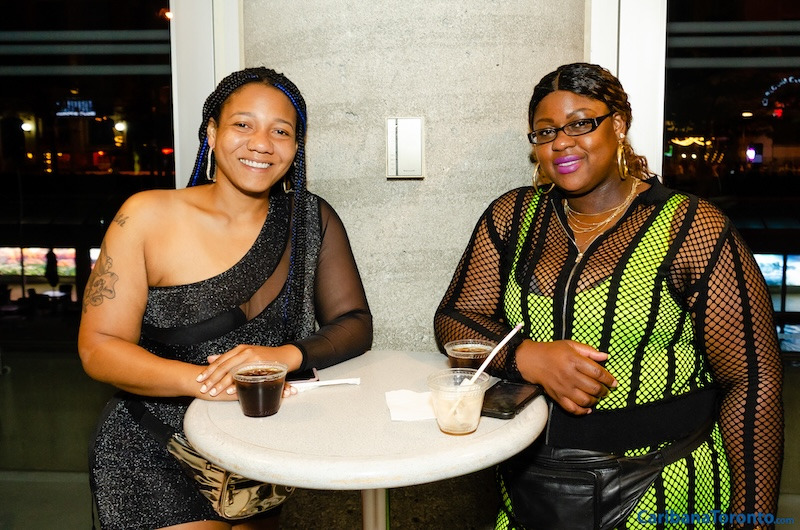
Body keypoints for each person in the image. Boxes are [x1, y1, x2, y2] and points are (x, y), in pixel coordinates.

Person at [434, 63, 783, 529]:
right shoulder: (513, 216)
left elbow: (753, 382)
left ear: (617, 125)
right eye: (545, 131)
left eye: (580, 123)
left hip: (664, 480)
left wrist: (753, 520)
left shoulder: (692, 228)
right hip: (530, 479)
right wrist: (528, 358)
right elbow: (454, 317)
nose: (561, 142)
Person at [79, 67, 373, 530]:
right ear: (212, 133)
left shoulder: (310, 220)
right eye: (243, 124)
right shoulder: (146, 216)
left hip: (259, 448)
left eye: (281, 131)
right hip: (155, 444)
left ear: (296, 147)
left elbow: (355, 322)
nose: (261, 143)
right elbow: (99, 348)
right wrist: (208, 383)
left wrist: (282, 356)